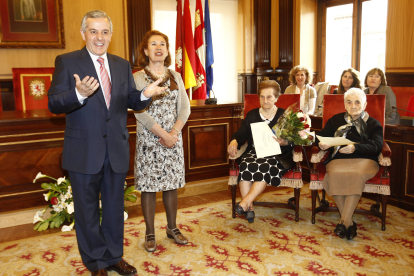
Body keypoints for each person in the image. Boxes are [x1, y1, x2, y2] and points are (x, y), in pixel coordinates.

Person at [48, 10, 167, 276]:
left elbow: (131, 101)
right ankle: (96, 263)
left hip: (115, 149)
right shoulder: (67, 62)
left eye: (104, 32)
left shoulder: (121, 64)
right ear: (83, 34)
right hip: (84, 151)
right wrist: (77, 94)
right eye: (93, 31)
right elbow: (53, 103)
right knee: (87, 212)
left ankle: (114, 256)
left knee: (114, 209)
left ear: (110, 35)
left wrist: (145, 93)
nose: (99, 37)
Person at [133, 30, 191, 252]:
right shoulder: (137, 78)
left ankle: (172, 228)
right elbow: (139, 112)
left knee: (172, 185)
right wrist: (163, 134)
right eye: (153, 44)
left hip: (174, 138)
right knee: (149, 187)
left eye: (163, 44)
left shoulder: (175, 76)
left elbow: (184, 108)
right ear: (146, 50)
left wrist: (173, 132)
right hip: (150, 140)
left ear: (167, 51)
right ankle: (150, 232)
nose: (158, 48)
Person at [316, 88, 383, 240]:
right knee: (334, 175)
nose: (353, 105)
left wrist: (355, 147)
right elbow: (321, 136)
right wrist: (323, 144)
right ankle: (348, 223)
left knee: (355, 175)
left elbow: (377, 146)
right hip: (338, 159)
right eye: (349, 102)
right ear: (344, 104)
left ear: (364, 104)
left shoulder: (373, 123)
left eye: (357, 102)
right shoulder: (335, 120)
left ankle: (344, 223)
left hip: (365, 161)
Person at [228, 80, 292, 223]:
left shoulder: (284, 115)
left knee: (264, 167)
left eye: (269, 97)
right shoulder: (252, 115)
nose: (265, 100)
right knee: (245, 165)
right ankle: (249, 209)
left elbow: (293, 140)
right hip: (255, 151)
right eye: (262, 97)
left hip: (278, 154)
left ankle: (244, 203)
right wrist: (234, 141)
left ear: (276, 98)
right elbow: (241, 133)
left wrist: (284, 141)